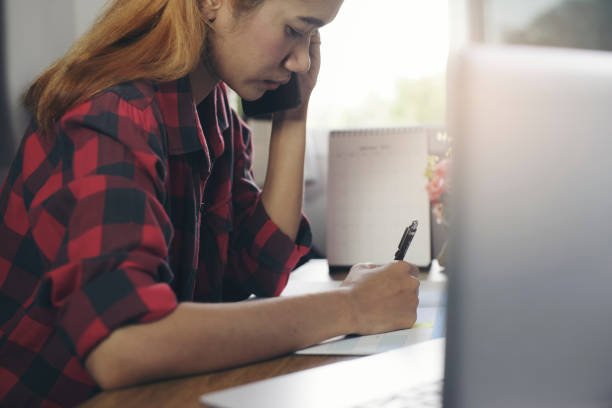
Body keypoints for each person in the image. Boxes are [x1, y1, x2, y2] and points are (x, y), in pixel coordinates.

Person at [0, 0, 420, 406]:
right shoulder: (113, 116)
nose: (302, 62)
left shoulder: (210, 109)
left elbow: (262, 268)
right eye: (294, 29)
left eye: (311, 38)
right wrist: (350, 308)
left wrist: (294, 109)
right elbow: (123, 341)